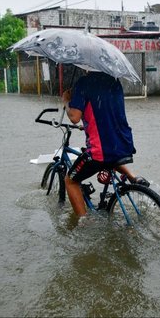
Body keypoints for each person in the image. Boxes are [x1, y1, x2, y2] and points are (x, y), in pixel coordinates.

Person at [61, 71, 148, 217]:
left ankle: (82, 225)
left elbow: (75, 118)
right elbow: (105, 111)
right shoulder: (115, 82)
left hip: (100, 150)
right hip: (122, 143)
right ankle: (134, 177)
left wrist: (66, 101)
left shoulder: (84, 83)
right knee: (109, 157)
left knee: (70, 181)